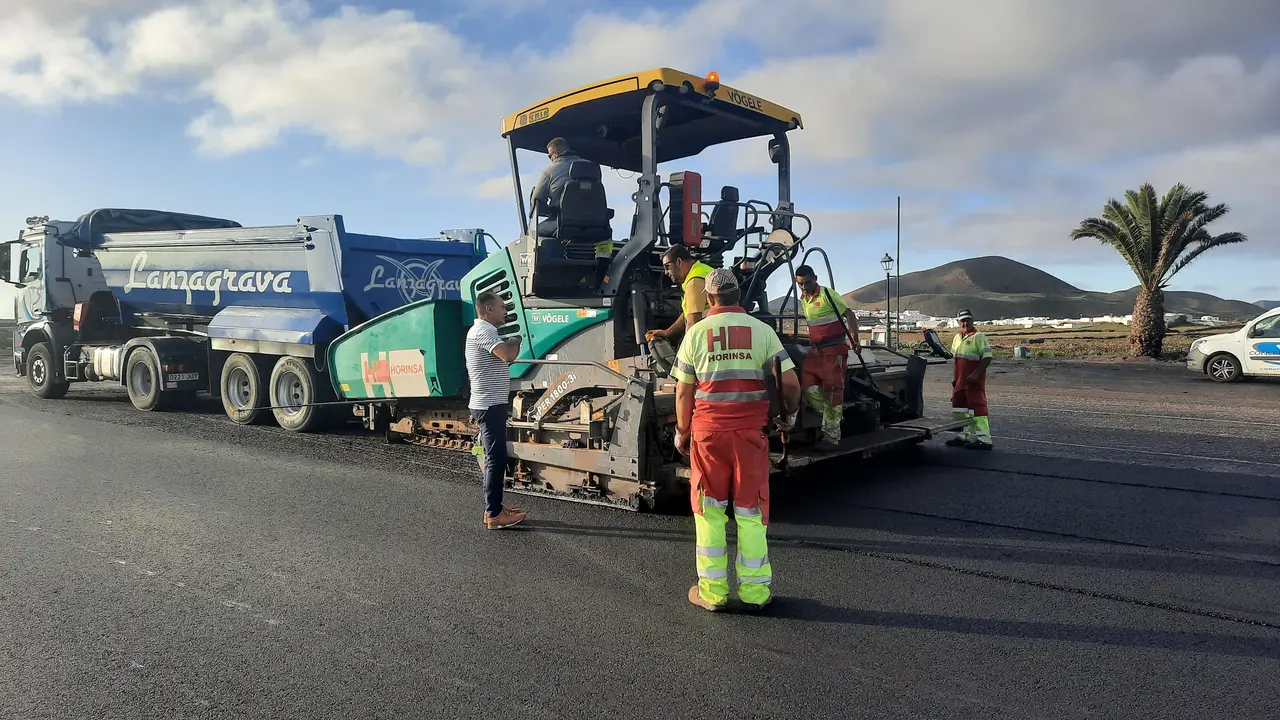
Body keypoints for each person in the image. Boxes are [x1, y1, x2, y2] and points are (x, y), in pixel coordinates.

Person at [672, 268, 802, 612]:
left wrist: (682, 431)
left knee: (709, 512)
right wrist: (788, 415)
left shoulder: (696, 333)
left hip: (708, 435)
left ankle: (713, 594)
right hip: (751, 436)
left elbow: (683, 390)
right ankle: (755, 593)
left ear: (710, 298)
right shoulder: (763, 332)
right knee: (751, 511)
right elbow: (789, 383)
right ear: (738, 296)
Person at [466, 291, 527, 528]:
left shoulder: (483, 331)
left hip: (489, 403)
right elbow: (508, 355)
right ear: (488, 309)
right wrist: (517, 340)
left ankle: (495, 509)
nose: (505, 311)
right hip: (489, 405)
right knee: (495, 459)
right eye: (502, 307)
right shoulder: (483, 331)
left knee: (496, 457)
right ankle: (494, 515)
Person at [795, 265, 860, 452]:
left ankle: (831, 438)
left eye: (807, 282)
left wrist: (854, 340)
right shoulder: (803, 299)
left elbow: (849, 314)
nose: (804, 287)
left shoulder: (827, 295)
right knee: (808, 387)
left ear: (815, 278)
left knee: (832, 391)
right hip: (816, 351)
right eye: (800, 284)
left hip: (834, 350)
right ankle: (834, 418)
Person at [646, 245, 713, 345]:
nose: (666, 273)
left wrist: (685, 353)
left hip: (709, 340)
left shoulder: (694, 281)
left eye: (667, 266)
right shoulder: (701, 270)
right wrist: (669, 332)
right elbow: (689, 313)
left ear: (679, 262)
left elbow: (693, 322)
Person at [947, 309, 994, 451]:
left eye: (967, 320)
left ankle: (984, 439)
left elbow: (987, 357)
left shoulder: (979, 337)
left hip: (973, 381)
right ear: (958, 322)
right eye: (962, 320)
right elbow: (956, 359)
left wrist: (976, 374)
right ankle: (963, 436)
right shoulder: (957, 338)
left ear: (972, 320)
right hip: (960, 381)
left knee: (977, 407)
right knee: (960, 408)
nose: (965, 323)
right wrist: (955, 378)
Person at [530, 137, 590, 238]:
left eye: (550, 156)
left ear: (557, 152)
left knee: (530, 235)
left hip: (563, 222)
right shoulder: (590, 168)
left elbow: (537, 200)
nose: (551, 159)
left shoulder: (549, 171)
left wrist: (547, 209)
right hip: (594, 223)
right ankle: (603, 253)